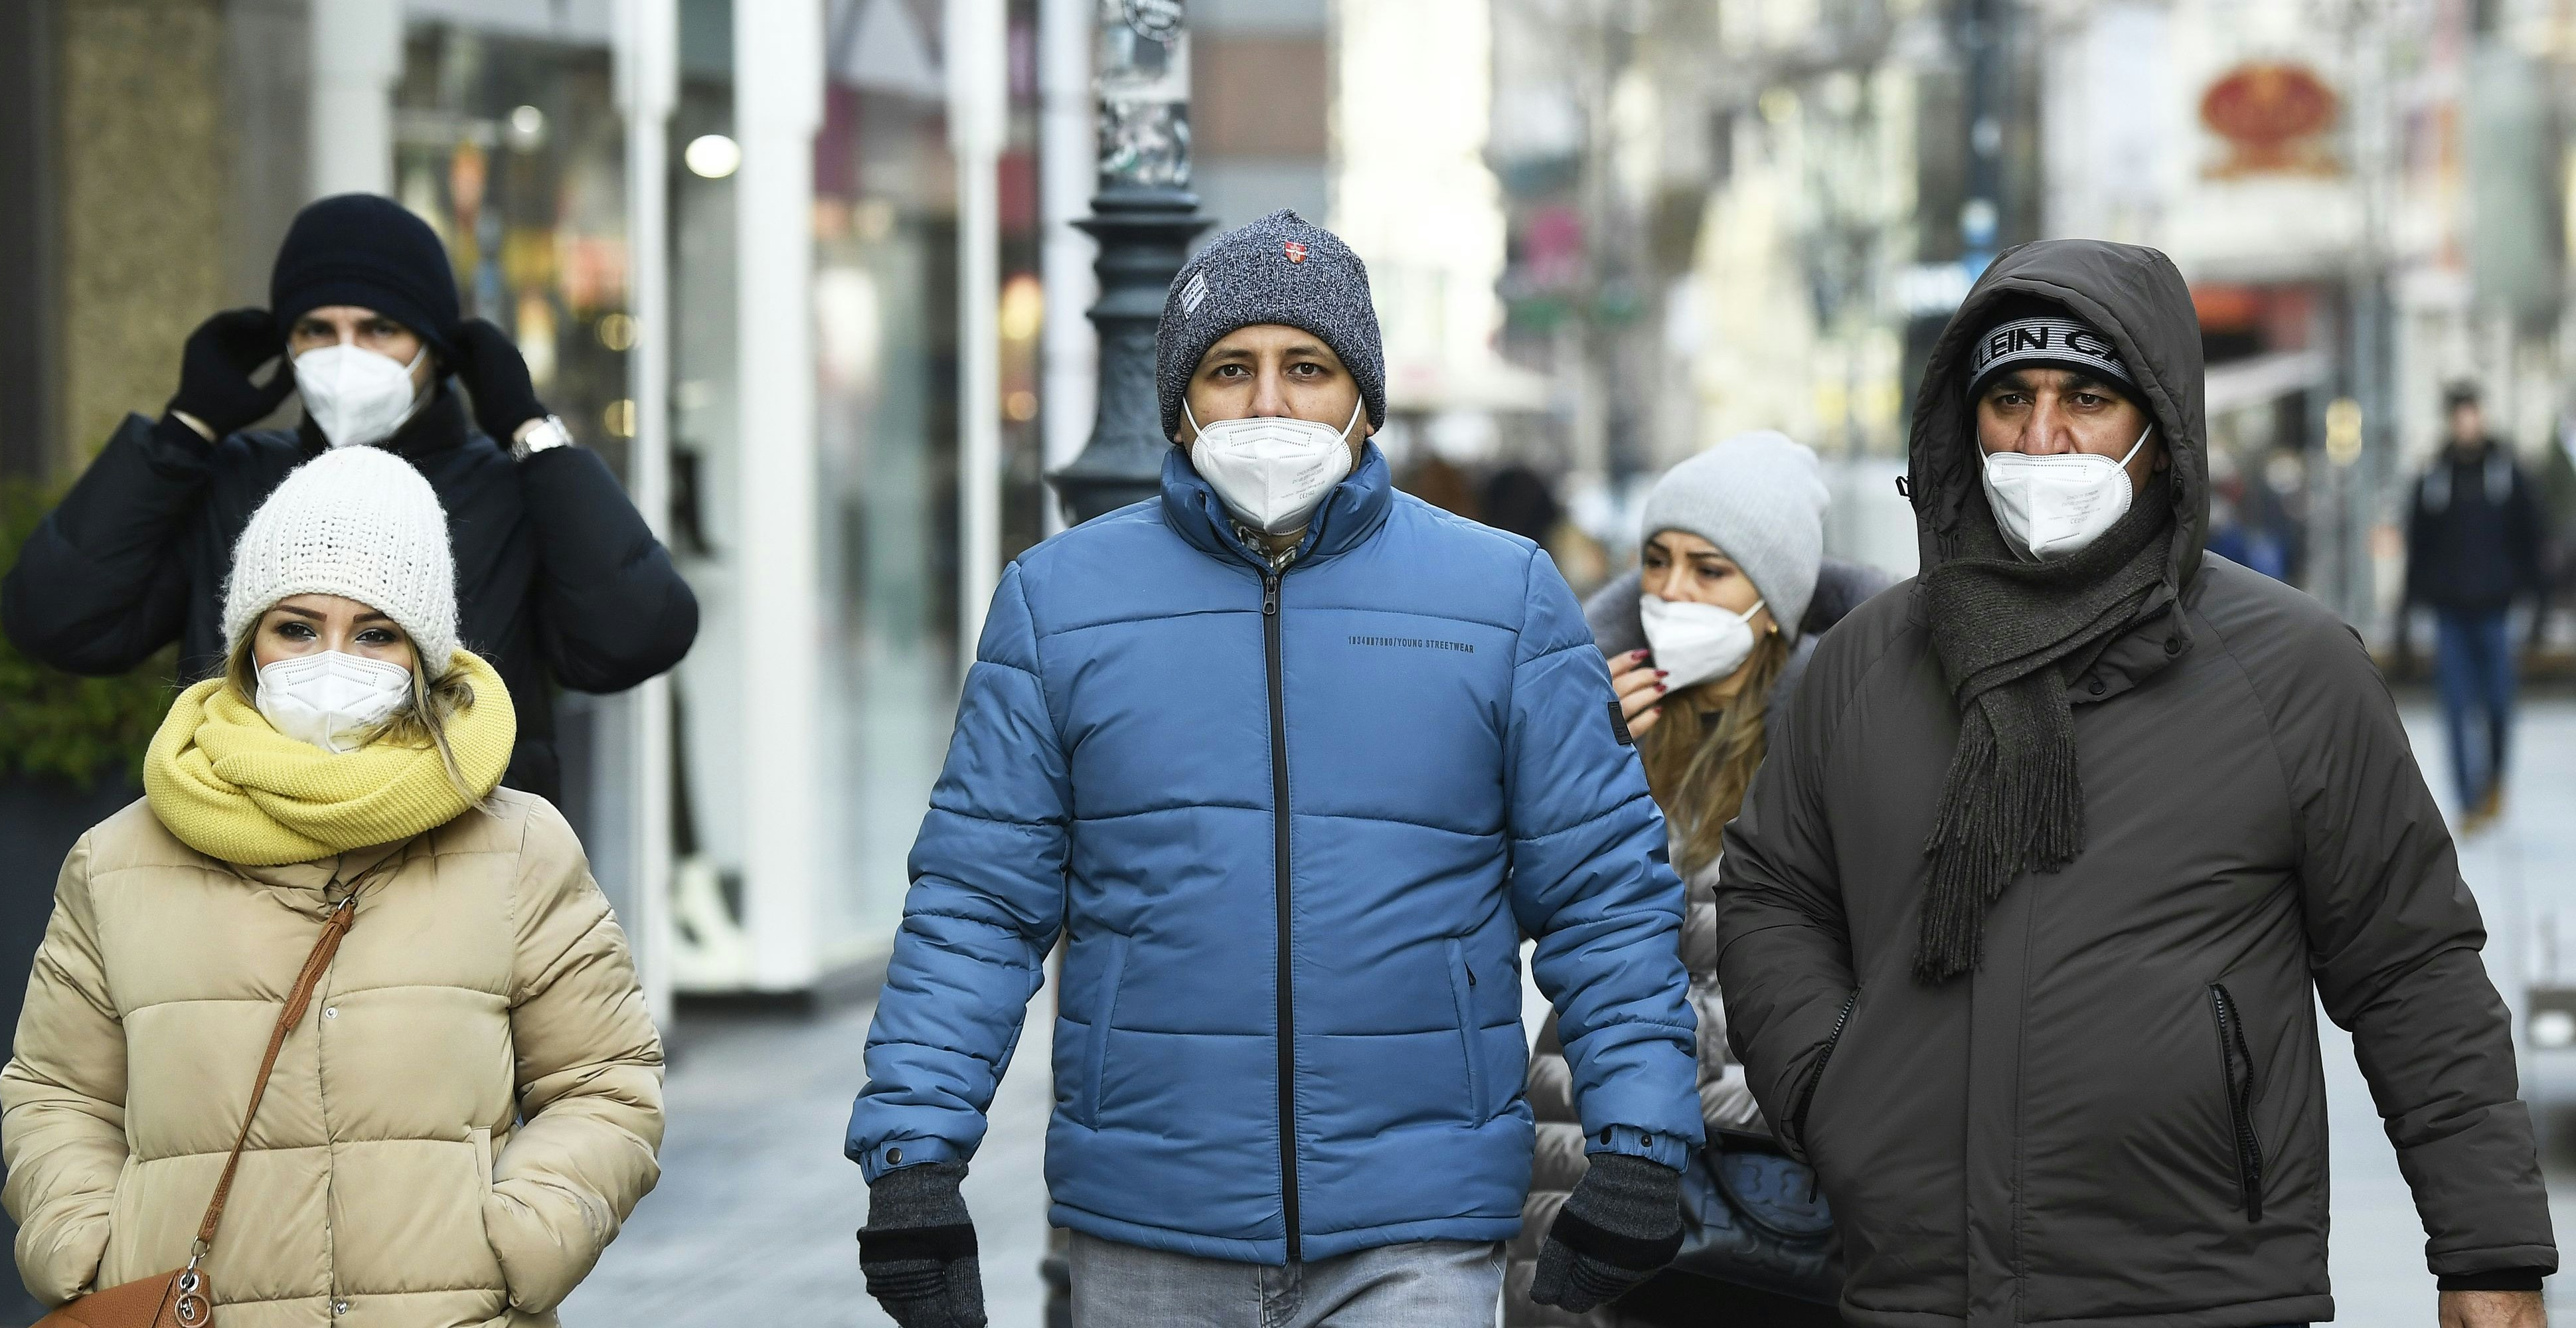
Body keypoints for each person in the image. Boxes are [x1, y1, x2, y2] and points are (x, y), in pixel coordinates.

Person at [845, 210, 1702, 1327]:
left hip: (1419, 1226)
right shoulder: (1061, 602)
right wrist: (914, 1162)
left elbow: (1604, 894)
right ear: (1180, 401)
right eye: (1228, 369)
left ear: (1362, 394)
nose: (1267, 406)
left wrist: (1638, 1147)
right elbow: (976, 901)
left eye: (1307, 368)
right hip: (1151, 1224)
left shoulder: (1501, 596)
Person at [1718, 238, 2555, 1327]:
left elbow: (2411, 967)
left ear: (2161, 433)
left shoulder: (2288, 670)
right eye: (2009, 396)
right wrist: (1835, 1089)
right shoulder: (1866, 668)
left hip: (2200, 1288)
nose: (2042, 437)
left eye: (2088, 398)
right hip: (1920, 1288)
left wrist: (2487, 1253)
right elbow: (1774, 888)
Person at [0, 446, 665, 1323]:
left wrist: (522, 1243)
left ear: (423, 654)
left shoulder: (521, 848)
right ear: (248, 644)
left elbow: (606, 1084)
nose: (333, 657)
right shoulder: (116, 861)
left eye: (376, 632)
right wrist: (86, 1250)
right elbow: (58, 1095)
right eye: (299, 627)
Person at [1, 192, 696, 799]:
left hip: (463, 862)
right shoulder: (235, 479)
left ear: (434, 348)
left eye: (378, 329)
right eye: (316, 330)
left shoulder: (511, 488)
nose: (345, 354)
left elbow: (634, 635)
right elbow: (61, 620)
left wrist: (533, 434)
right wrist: (186, 430)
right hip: (243, 858)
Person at [1508, 432, 1882, 1328]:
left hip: (1751, 1195)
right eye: (1657, 562)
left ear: (1775, 602)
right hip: (1578, 1149)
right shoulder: (1608, 708)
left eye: (1711, 571)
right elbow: (1510, 908)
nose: (1670, 594)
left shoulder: (1837, 744)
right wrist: (1577, 759)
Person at [2405, 381, 2544, 830]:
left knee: (2500, 705)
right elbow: (2418, 548)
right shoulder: (2434, 477)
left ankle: (2495, 781)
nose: (2467, 422)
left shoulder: (2507, 473)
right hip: (2449, 613)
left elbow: (2531, 540)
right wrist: (2406, 614)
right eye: (2460, 413)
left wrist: (2536, 604)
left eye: (2473, 412)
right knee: (2457, 709)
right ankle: (2468, 802)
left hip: (2495, 610)